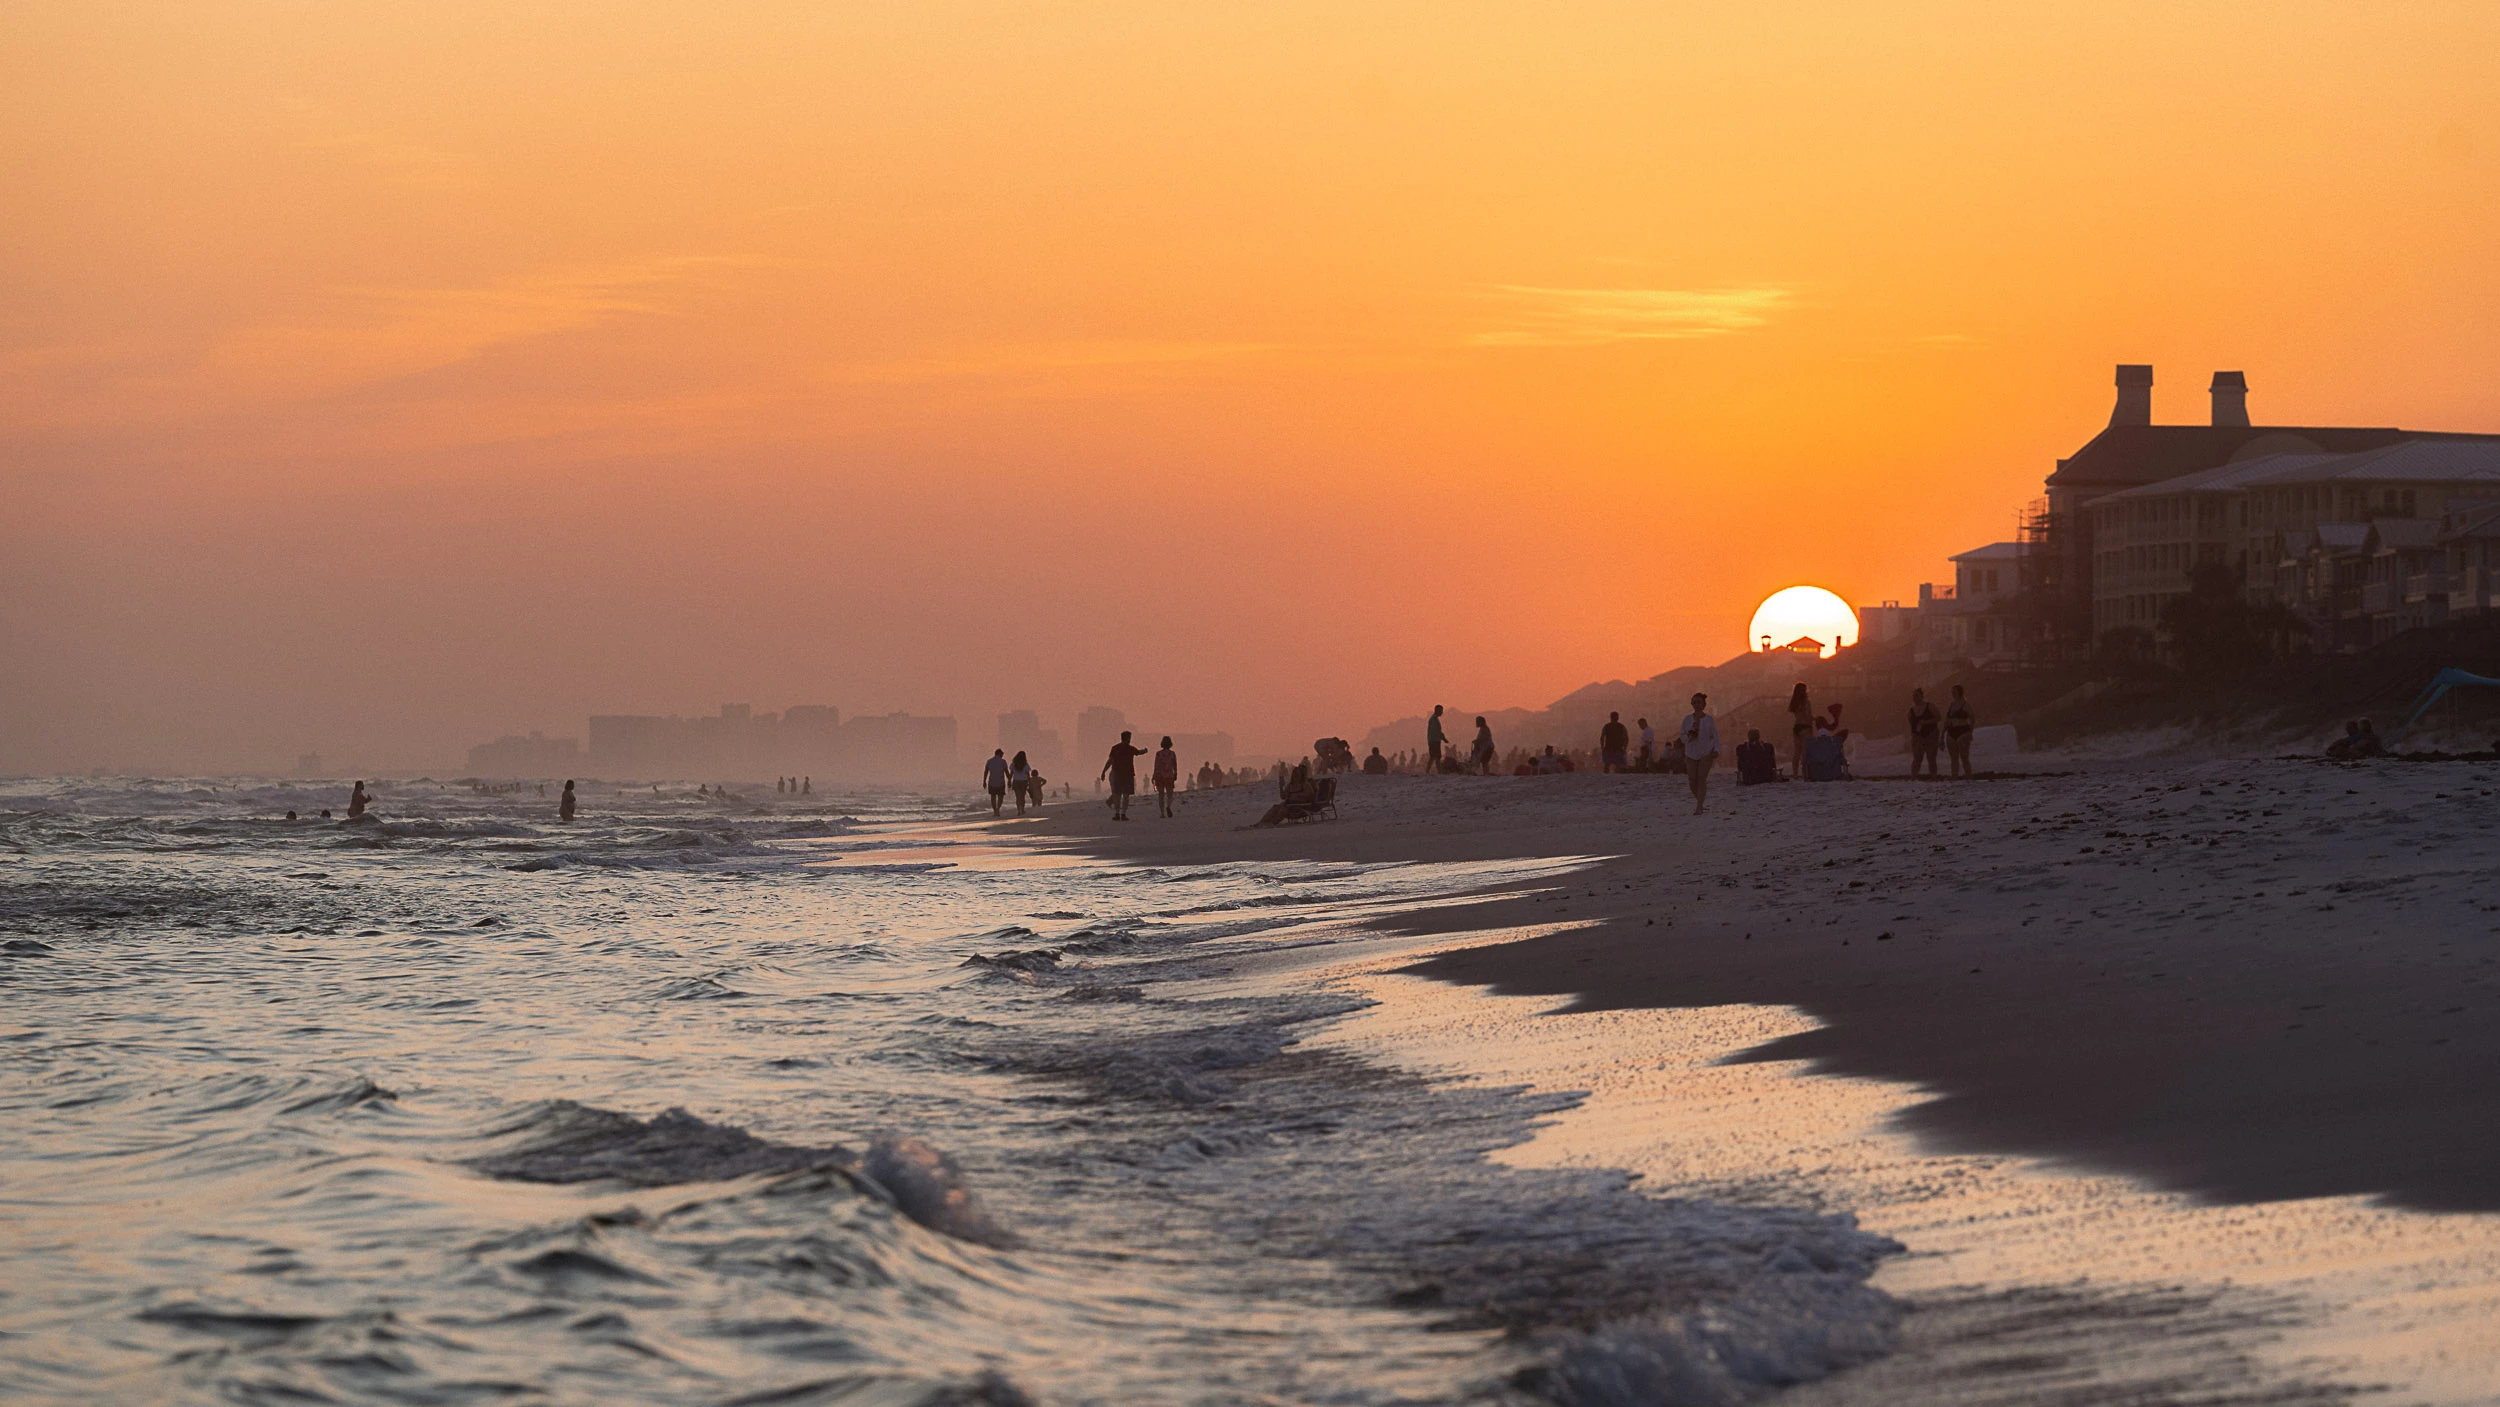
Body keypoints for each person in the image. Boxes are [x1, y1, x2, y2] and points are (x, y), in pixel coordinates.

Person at [1680, 694, 1720, 814]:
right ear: (1691, 704)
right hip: (1691, 752)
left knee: (1701, 778)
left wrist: (1716, 749)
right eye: (1695, 702)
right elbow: (1682, 737)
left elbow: (1715, 736)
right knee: (1692, 780)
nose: (1697, 705)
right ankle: (1700, 801)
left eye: (1699, 702)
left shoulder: (1709, 719)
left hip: (1706, 752)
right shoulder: (1687, 720)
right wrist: (1690, 735)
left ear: (1704, 704)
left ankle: (1699, 807)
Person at [1099, 730, 1148, 821]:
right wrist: (1145, 751)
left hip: (1117, 774)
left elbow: (1110, 761)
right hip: (1128, 775)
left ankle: (1117, 814)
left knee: (1117, 795)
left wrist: (1103, 772)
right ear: (1128, 738)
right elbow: (1139, 752)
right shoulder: (1130, 748)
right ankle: (1123, 814)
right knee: (1126, 795)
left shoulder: (1115, 748)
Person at [1907, 689, 1942, 779]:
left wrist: (1926, 722)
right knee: (1917, 759)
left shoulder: (1930, 706)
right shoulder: (1911, 710)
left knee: (1931, 758)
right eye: (1914, 696)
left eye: (1917, 696)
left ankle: (1934, 777)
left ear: (1922, 696)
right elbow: (1911, 724)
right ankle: (1913, 777)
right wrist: (1913, 736)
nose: (1915, 698)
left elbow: (1938, 717)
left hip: (1931, 735)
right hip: (1918, 737)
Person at [1944, 685, 1977, 779]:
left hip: (1962, 731)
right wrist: (1943, 734)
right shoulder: (1952, 704)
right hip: (1951, 731)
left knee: (1964, 757)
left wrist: (1970, 731)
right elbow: (1947, 719)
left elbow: (1972, 717)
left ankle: (1968, 776)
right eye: (1952, 692)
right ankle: (1954, 777)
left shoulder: (1965, 704)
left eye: (1954, 691)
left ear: (1959, 692)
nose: (1953, 693)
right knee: (1954, 759)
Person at [1787, 683, 1815, 779]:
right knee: (1805, 752)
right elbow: (1807, 715)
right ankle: (1804, 774)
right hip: (1805, 727)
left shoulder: (1794, 702)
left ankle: (1795, 773)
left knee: (1796, 752)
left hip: (1796, 727)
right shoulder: (1806, 702)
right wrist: (1815, 719)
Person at [1153, 736, 1180, 818]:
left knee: (1161, 795)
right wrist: (1175, 774)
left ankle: (1162, 813)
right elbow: (1175, 765)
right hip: (1169, 776)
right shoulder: (1172, 754)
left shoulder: (1158, 754)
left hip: (1160, 776)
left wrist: (1154, 776)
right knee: (1170, 794)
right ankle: (1168, 806)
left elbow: (1156, 765)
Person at [983, 748, 1011, 816]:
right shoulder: (1003, 761)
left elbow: (986, 771)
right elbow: (1006, 771)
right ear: (999, 754)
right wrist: (1009, 780)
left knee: (993, 797)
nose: (1002, 755)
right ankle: (998, 808)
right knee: (1000, 796)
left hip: (992, 782)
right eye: (1002, 754)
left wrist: (984, 781)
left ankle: (995, 810)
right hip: (1001, 782)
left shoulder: (989, 761)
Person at [1425, 705, 1449, 772]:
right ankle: (1435, 770)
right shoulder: (1434, 719)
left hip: (1434, 740)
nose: (1442, 712)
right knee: (1435, 756)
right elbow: (1436, 731)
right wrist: (1443, 738)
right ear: (1437, 710)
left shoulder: (1434, 719)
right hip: (1434, 740)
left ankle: (1434, 770)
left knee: (1435, 756)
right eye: (1441, 711)